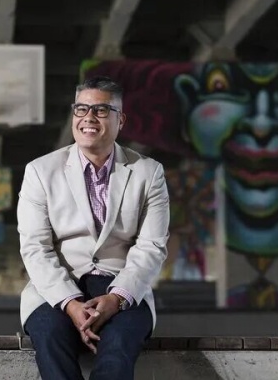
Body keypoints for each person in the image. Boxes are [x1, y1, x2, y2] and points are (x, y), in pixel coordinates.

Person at [17, 76, 170, 380]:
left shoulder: (149, 172)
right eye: (81, 109)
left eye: (100, 110)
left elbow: (152, 246)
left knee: (118, 346)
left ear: (120, 120)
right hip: (57, 286)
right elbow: (35, 248)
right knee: (50, 336)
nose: (88, 117)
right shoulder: (40, 171)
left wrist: (117, 298)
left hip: (122, 285)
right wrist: (71, 304)